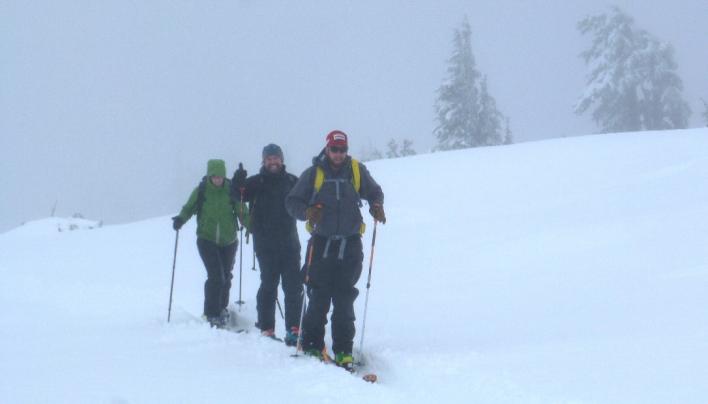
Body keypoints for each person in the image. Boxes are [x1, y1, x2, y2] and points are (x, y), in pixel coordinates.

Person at [286, 130, 385, 369]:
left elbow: (374, 191)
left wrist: (376, 205)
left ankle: (343, 351)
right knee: (318, 297)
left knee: (344, 299)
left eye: (342, 150)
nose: (339, 154)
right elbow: (292, 202)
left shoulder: (356, 171)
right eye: (334, 150)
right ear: (327, 149)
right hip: (321, 244)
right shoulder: (314, 174)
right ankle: (311, 343)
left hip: (350, 244)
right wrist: (307, 212)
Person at [231, 144, 303, 345]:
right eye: (269, 158)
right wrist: (237, 182)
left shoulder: (292, 182)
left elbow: (308, 197)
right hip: (265, 244)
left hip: (290, 244)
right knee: (269, 285)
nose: (273, 162)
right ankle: (266, 329)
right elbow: (238, 195)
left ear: (282, 160)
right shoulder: (256, 182)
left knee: (293, 287)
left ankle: (294, 330)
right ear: (263, 161)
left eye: (276, 158)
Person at [172, 159, 249, 328]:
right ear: (209, 176)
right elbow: (189, 208)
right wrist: (180, 219)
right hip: (206, 239)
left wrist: (252, 226)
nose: (217, 179)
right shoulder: (201, 191)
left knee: (226, 276)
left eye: (220, 176)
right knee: (216, 276)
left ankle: (221, 308)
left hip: (229, 240)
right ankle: (211, 313)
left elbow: (242, 211)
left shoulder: (231, 190)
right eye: (214, 176)